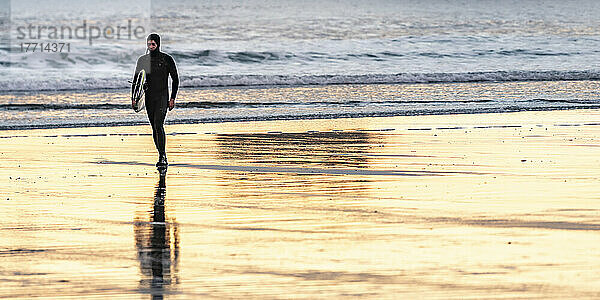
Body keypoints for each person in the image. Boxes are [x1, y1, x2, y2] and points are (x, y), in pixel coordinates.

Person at [133, 33, 179, 167]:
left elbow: (175, 79)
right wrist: (134, 98)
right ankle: (160, 154)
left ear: (158, 44)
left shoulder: (166, 59)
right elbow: (136, 80)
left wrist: (172, 98)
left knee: (159, 125)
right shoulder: (143, 60)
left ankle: (163, 156)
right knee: (154, 127)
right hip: (149, 97)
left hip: (162, 97)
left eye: (153, 44)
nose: (151, 46)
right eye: (149, 44)